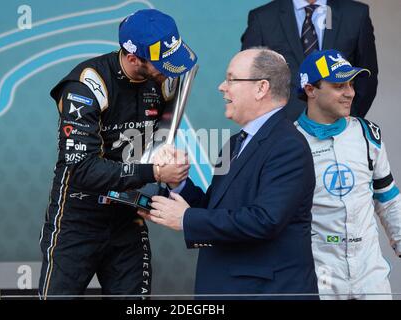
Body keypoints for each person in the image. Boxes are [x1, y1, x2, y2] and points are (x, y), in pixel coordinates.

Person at [38, 9, 197, 299]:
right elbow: (83, 170)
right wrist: (155, 173)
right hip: (78, 220)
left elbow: (159, 142)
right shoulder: (85, 85)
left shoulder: (163, 81)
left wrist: (164, 168)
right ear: (133, 57)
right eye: (162, 63)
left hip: (128, 217)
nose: (170, 70)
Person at [139, 48, 319, 300]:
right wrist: (176, 182)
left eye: (232, 79)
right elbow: (216, 209)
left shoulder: (288, 145)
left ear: (261, 88)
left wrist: (186, 219)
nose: (222, 87)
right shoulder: (235, 143)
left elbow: (264, 221)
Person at [295, 49, 401, 299]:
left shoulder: (367, 134)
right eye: (339, 85)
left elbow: (387, 197)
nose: (350, 93)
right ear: (311, 90)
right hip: (319, 275)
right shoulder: (290, 141)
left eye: (351, 84)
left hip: (370, 275)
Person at [241, 0, 378, 120]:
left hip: (339, 129)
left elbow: (367, 78)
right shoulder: (263, 17)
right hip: (280, 131)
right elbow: (249, 77)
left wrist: (349, 116)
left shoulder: (356, 14)